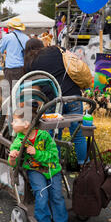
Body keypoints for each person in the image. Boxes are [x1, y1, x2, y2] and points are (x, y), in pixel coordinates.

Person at [8, 105, 70, 222]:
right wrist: (13, 157)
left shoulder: (44, 136)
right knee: (41, 194)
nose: (12, 123)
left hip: (52, 169)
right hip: (35, 171)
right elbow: (13, 162)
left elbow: (54, 156)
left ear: (26, 124)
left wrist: (36, 153)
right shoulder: (19, 140)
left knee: (57, 196)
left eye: (15, 121)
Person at [24, 39, 87, 168]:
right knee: (79, 135)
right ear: (42, 45)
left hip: (52, 101)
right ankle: (85, 167)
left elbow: (35, 90)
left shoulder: (29, 64)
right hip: (74, 96)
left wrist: (39, 108)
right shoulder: (56, 50)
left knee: (53, 136)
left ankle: (55, 166)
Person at [0, 17, 30, 90]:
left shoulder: (7, 37)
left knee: (10, 91)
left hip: (11, 69)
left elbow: (0, 51)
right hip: (23, 68)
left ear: (11, 27)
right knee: (22, 91)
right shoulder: (26, 38)